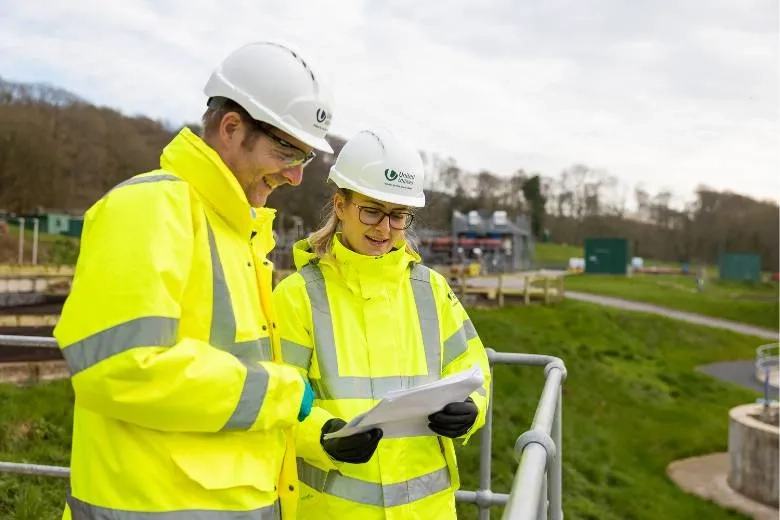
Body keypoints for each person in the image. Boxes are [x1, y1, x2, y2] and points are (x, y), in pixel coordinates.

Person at [53, 40, 335, 520]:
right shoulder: (149, 209)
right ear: (231, 128)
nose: (295, 177)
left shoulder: (239, 235)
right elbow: (121, 368)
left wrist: (315, 427)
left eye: (305, 158)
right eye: (288, 151)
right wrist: (283, 392)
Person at [272, 128, 492, 519]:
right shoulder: (297, 295)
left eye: (399, 216)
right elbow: (276, 395)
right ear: (340, 205)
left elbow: (472, 368)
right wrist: (323, 437)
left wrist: (470, 409)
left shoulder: (432, 291)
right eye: (372, 211)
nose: (385, 228)